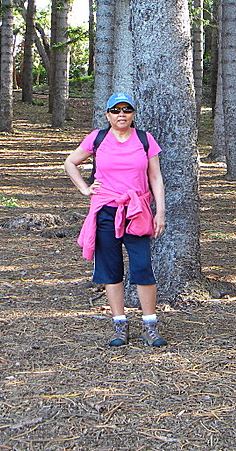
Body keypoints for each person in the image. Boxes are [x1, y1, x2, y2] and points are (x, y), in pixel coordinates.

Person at [64, 92, 167, 347]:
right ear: (108, 114)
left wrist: (160, 212)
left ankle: (150, 325)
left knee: (142, 265)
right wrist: (84, 189)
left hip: (137, 211)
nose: (122, 115)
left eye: (127, 110)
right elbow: (70, 162)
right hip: (106, 211)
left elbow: (155, 178)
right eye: (116, 110)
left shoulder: (145, 140)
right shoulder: (97, 138)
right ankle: (119, 324)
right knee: (111, 269)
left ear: (133, 114)